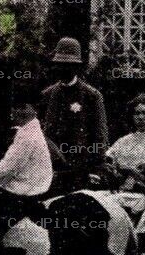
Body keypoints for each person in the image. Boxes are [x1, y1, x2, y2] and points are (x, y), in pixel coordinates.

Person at [0, 82, 55, 255]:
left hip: (22, 197)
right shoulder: (28, 130)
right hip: (23, 190)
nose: (17, 112)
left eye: (23, 107)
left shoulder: (27, 136)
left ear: (34, 109)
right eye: (15, 108)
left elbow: (7, 167)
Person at [40, 36, 109, 194]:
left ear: (77, 67)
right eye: (60, 65)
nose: (63, 69)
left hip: (79, 170)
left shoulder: (91, 96)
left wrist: (97, 168)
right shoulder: (47, 95)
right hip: (50, 169)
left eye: (68, 65)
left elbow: (99, 136)